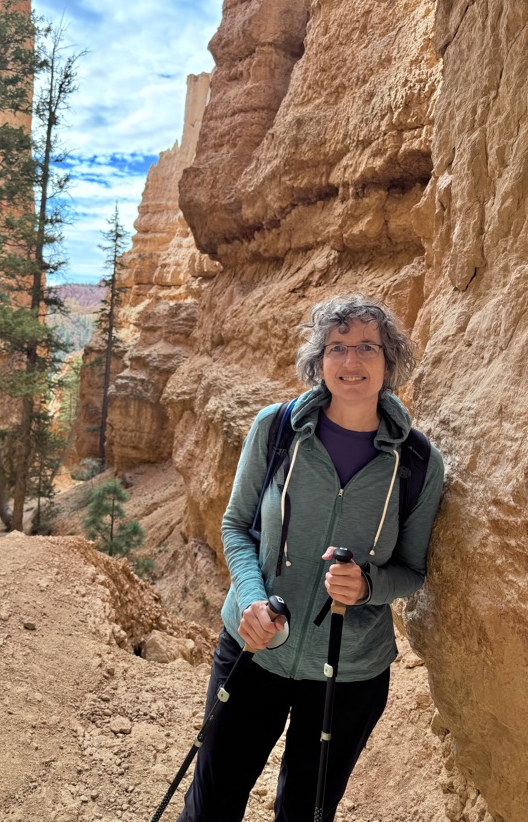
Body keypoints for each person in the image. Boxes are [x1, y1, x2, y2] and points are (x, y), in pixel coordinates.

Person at [176, 295, 445, 822]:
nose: (351, 362)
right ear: (318, 362)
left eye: (367, 347)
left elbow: (413, 570)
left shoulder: (416, 461)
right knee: (212, 804)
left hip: (349, 673)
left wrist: (367, 586)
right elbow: (236, 526)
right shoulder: (275, 430)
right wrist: (253, 602)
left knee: (307, 812)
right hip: (255, 647)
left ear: (389, 360)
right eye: (337, 347)